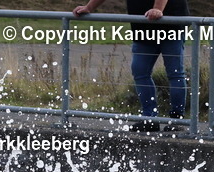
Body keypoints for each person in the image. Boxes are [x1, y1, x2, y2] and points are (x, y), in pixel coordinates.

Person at [73, 0, 189, 131]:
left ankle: (177, 119)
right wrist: (89, 7)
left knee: (174, 72)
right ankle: (149, 118)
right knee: (140, 71)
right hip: (143, 25)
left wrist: (158, 8)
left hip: (171, 23)